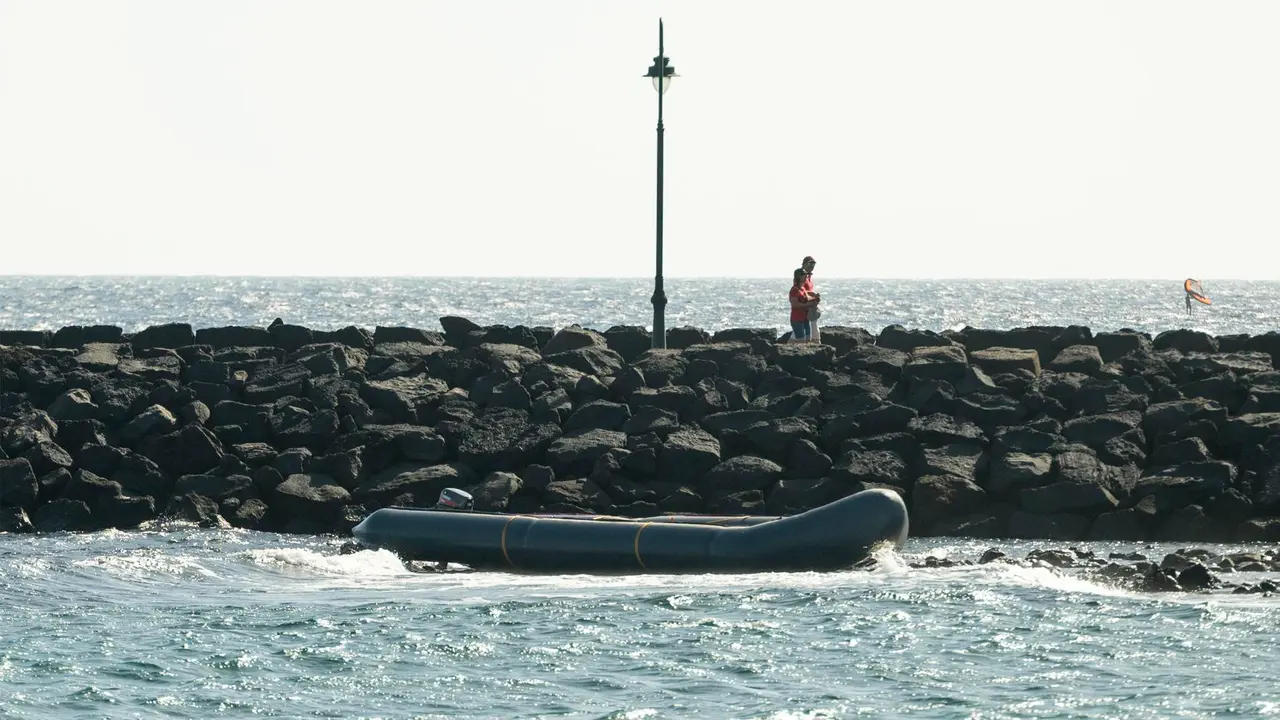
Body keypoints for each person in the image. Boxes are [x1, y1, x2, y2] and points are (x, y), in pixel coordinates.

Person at [789, 268, 818, 342]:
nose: (805, 276)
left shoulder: (802, 289)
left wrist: (815, 300)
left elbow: (807, 299)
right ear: (798, 276)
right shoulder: (794, 290)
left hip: (805, 319)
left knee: (808, 339)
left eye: (806, 275)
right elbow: (795, 305)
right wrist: (807, 304)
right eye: (803, 275)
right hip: (797, 319)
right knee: (801, 341)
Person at [798, 256, 821, 342]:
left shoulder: (808, 277)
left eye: (813, 264)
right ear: (804, 264)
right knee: (804, 325)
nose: (812, 266)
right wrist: (812, 296)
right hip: (804, 305)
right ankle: (816, 341)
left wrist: (815, 298)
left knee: (812, 323)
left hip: (810, 305)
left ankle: (816, 341)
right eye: (810, 263)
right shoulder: (800, 276)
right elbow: (800, 290)